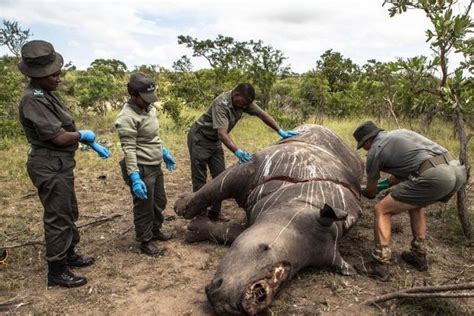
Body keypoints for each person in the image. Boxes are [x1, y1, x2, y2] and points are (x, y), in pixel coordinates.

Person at [18, 40, 110, 288]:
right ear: (38, 75)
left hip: (59, 163)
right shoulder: (33, 99)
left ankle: (69, 254)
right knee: (57, 216)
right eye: (53, 75)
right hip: (48, 163)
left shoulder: (45, 94)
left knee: (68, 211)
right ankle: (57, 270)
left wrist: (84, 140)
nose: (58, 78)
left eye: (58, 72)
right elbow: (58, 136)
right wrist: (82, 136)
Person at [353, 121, 467, 281]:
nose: (365, 149)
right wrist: (384, 185)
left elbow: (370, 193)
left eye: (363, 146)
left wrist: (362, 189)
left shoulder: (375, 151)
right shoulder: (400, 134)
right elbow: (407, 171)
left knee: (381, 209)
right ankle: (419, 254)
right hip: (455, 170)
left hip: (435, 176)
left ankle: (380, 264)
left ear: (368, 141)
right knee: (415, 204)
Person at [187, 83, 298, 221]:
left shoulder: (244, 101)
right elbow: (222, 133)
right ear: (236, 95)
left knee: (219, 175)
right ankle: (200, 214)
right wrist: (237, 152)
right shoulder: (221, 104)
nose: (245, 107)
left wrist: (280, 130)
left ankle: (215, 213)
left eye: (247, 105)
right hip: (201, 138)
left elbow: (262, 114)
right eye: (243, 103)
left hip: (215, 141)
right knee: (200, 177)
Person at [115, 72, 176, 257]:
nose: (149, 102)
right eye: (145, 98)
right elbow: (129, 148)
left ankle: (156, 230)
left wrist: (163, 151)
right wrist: (134, 176)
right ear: (133, 95)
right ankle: (145, 240)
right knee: (144, 207)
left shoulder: (150, 109)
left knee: (159, 201)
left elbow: (152, 136)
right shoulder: (126, 117)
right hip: (141, 167)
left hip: (155, 164)